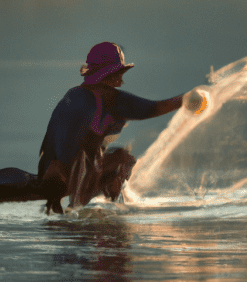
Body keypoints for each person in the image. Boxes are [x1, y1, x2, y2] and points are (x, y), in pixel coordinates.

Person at [38, 42, 186, 214]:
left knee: (114, 158)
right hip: (70, 174)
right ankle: (81, 208)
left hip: (55, 177)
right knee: (121, 159)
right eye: (118, 73)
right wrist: (188, 99)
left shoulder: (74, 96)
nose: (121, 79)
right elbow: (155, 108)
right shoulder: (106, 100)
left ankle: (89, 206)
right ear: (110, 74)